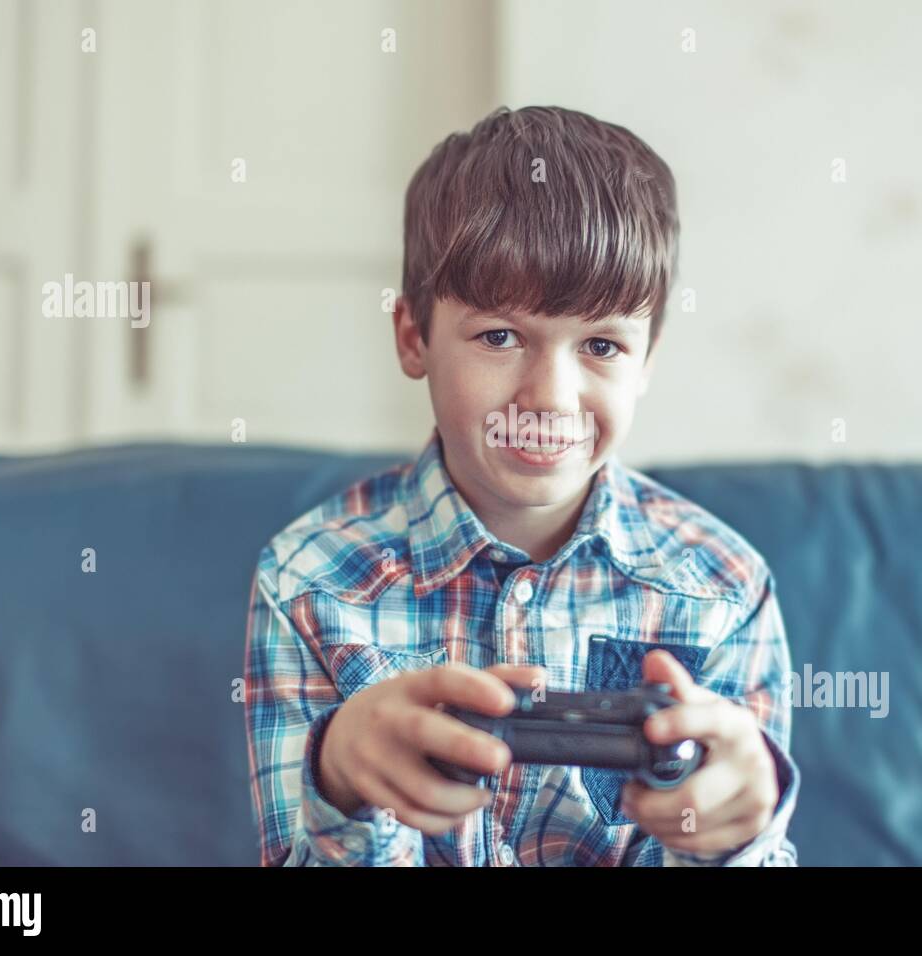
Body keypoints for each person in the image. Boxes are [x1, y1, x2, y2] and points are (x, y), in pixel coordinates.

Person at [244, 105, 799, 866]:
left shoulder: (726, 591)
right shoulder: (307, 583)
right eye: (499, 336)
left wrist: (739, 835)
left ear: (647, 362)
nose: (551, 396)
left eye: (602, 344)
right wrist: (338, 774)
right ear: (414, 338)